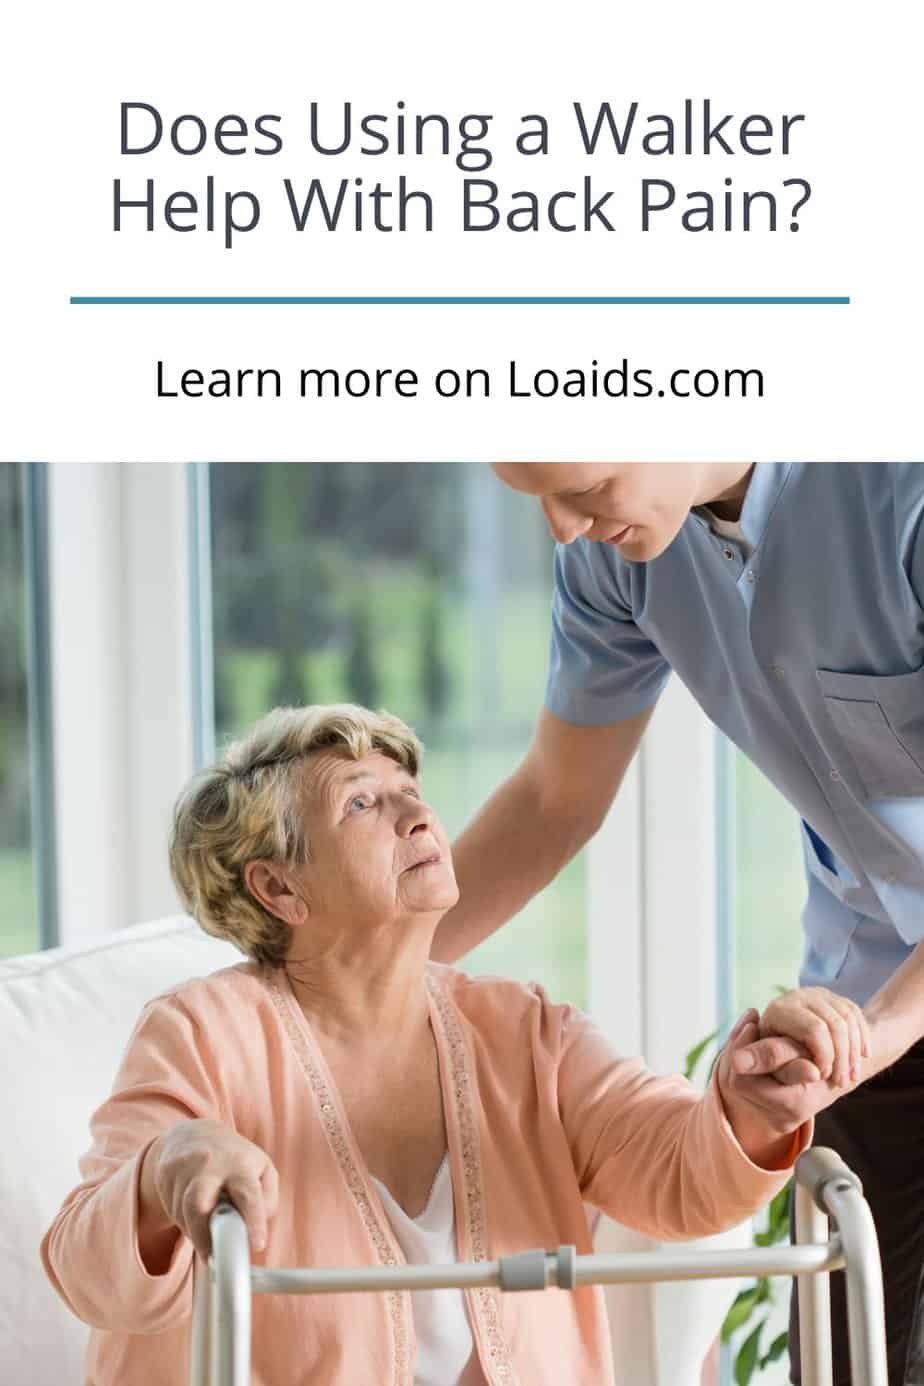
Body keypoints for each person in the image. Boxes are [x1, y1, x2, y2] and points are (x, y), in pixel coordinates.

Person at [43, 701, 837, 1386]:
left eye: (410, 793)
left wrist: (746, 1109)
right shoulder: (200, 1035)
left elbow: (677, 1171)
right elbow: (87, 1267)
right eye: (362, 805)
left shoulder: (521, 1029)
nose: (418, 817)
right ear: (279, 888)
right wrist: (163, 1169)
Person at [432, 461, 924, 1386]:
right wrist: (345, 969)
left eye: (585, 484)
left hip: (884, 1020)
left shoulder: (898, 485)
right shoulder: (620, 557)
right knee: (862, 1350)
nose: (563, 529)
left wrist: (876, 1033)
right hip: (866, 990)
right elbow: (553, 799)